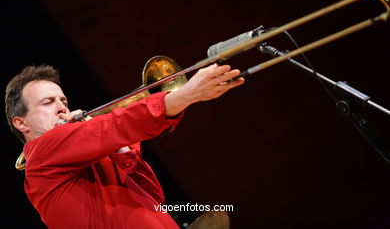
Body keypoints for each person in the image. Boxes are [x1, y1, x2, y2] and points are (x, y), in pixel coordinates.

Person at [5, 64, 244, 229]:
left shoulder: (87, 156)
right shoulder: (41, 154)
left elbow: (153, 199)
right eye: (48, 102)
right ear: (21, 122)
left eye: (63, 100)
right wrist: (184, 96)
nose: (62, 108)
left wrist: (119, 150)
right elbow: (117, 125)